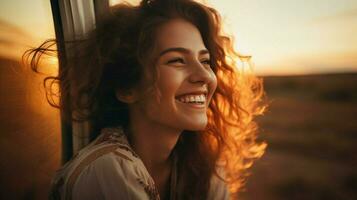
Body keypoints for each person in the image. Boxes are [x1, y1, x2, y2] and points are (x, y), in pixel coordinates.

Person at [24, 0, 266, 199]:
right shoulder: (106, 171)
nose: (205, 75)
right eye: (176, 60)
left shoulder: (205, 168)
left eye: (204, 61)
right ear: (128, 88)